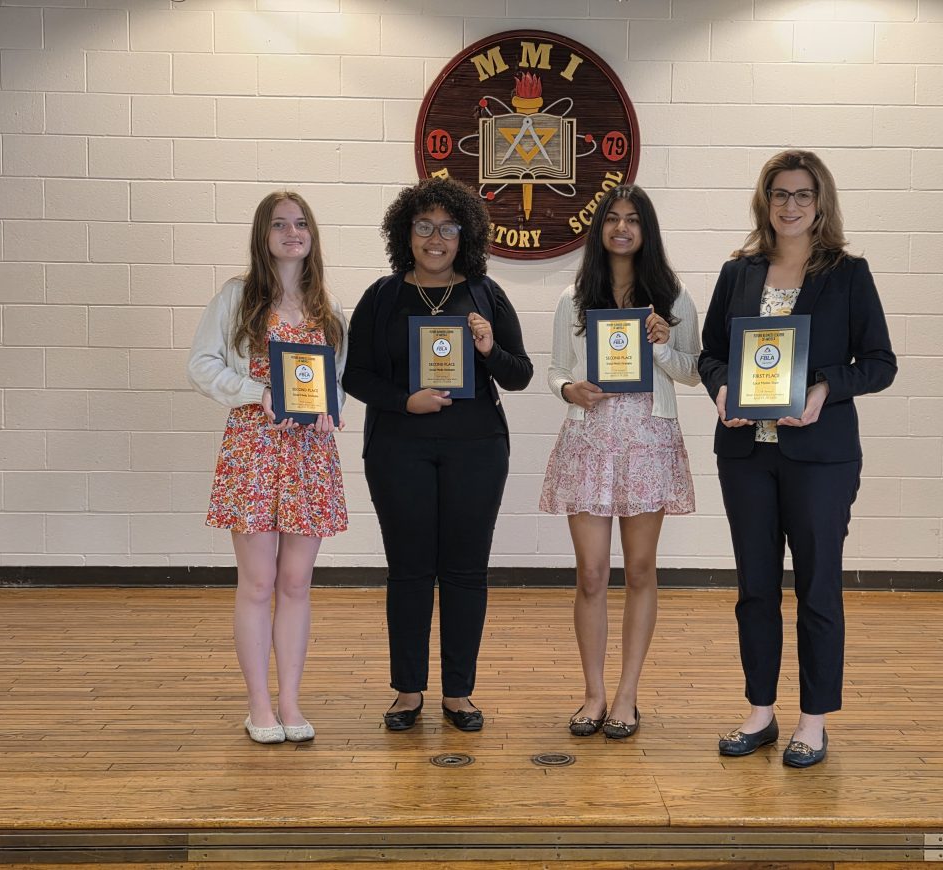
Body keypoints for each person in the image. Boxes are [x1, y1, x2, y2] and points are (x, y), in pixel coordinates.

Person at [699, 150, 897, 768]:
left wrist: (822, 389)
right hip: (746, 455)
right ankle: (760, 711)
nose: (790, 205)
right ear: (765, 201)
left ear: (820, 203)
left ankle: (814, 721)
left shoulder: (848, 273)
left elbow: (880, 364)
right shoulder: (739, 272)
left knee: (816, 589)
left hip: (820, 457)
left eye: (802, 195)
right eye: (779, 194)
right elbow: (710, 353)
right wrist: (722, 388)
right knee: (754, 588)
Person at [342, 177, 532, 733]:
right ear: (407, 232)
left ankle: (458, 693)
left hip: (477, 449)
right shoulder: (381, 296)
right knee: (409, 570)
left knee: (465, 572)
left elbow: (518, 375)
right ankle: (407, 690)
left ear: (464, 236)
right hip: (398, 448)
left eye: (448, 228)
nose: (435, 238)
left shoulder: (486, 294)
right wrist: (406, 401)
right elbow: (354, 375)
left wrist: (489, 348)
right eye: (424, 226)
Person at [187, 191, 348, 745]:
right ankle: (258, 704)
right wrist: (258, 392)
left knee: (296, 582)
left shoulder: (327, 309)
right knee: (257, 583)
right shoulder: (237, 298)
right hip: (254, 451)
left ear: (312, 235)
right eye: (279, 225)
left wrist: (333, 411)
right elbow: (201, 364)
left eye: (301, 223)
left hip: (309, 457)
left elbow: (337, 385)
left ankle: (291, 700)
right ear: (263, 236)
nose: (291, 233)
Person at [541, 185, 700, 740]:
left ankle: (627, 696)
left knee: (639, 570)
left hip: (647, 442)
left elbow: (692, 371)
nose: (622, 228)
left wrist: (659, 344)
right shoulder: (573, 298)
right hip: (590, 442)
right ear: (600, 229)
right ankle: (593, 693)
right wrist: (571, 390)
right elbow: (556, 368)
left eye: (633, 219)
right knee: (590, 574)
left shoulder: (675, 300)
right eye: (613, 218)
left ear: (646, 229)